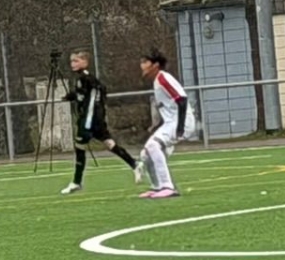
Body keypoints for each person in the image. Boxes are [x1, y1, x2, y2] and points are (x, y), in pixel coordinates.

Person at [61, 51, 139, 194]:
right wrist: (72, 96)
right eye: (72, 61)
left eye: (76, 61)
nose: (73, 64)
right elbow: (88, 95)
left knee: (80, 147)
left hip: (90, 120)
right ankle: (134, 164)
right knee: (109, 143)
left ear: (85, 62)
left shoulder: (86, 79)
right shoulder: (87, 79)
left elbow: (92, 99)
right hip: (97, 119)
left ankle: (76, 182)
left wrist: (87, 121)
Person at [136, 50, 193, 199]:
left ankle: (168, 187)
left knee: (152, 146)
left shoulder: (163, 78)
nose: (142, 65)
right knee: (145, 154)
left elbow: (182, 100)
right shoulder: (157, 81)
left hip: (182, 121)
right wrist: (158, 126)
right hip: (171, 122)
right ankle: (157, 187)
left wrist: (180, 127)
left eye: (145, 62)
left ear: (155, 65)